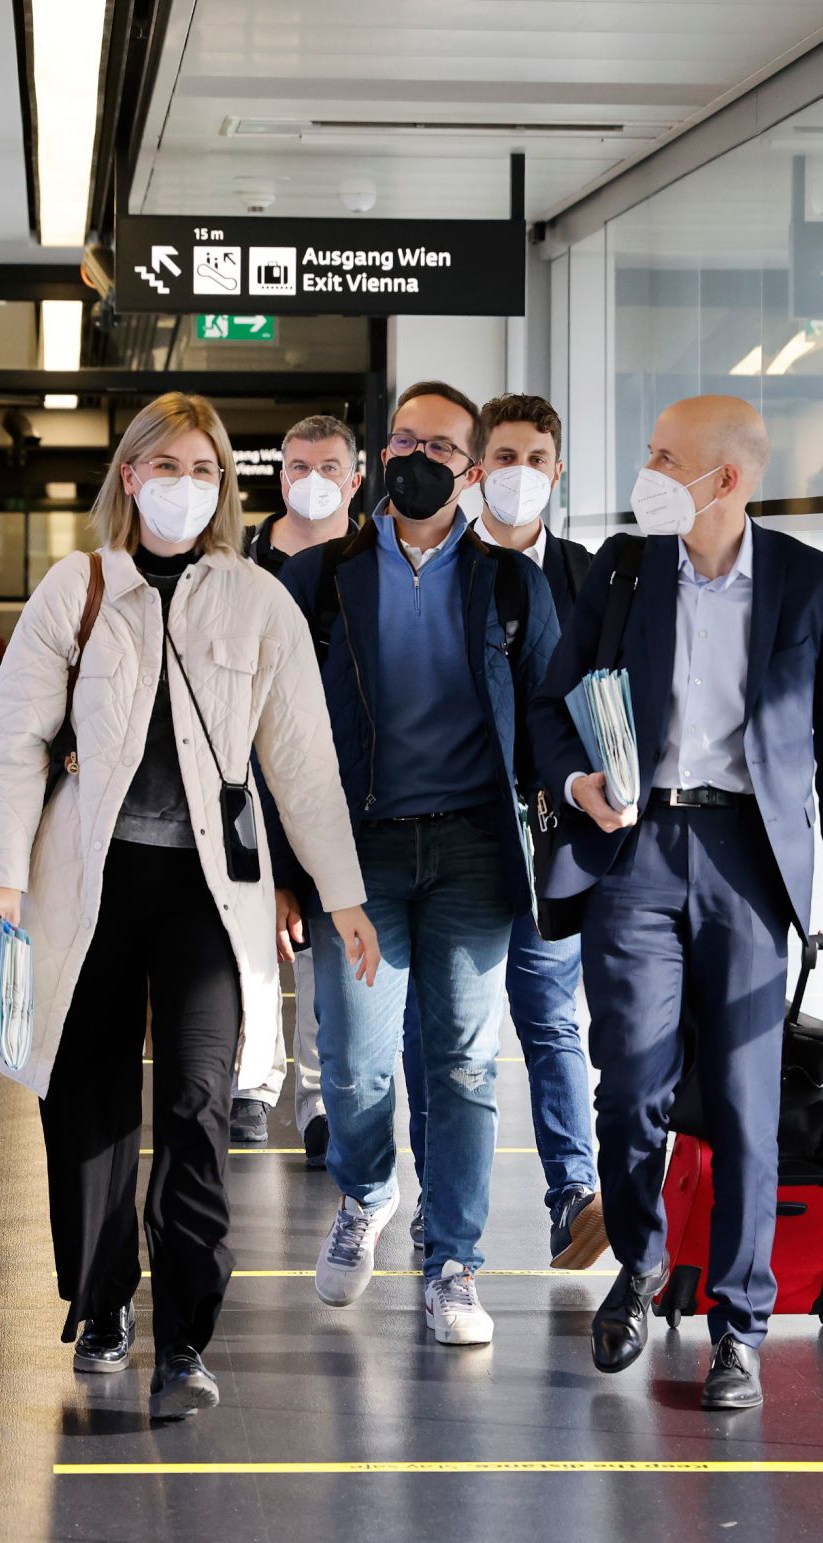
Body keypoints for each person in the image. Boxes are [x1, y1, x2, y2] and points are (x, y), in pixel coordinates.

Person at [0, 391, 380, 1422]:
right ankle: (102, 1302)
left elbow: (301, 765)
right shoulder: (79, 588)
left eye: (203, 470)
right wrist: (3, 872)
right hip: (88, 885)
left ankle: (187, 1334)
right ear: (129, 476)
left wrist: (343, 896)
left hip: (209, 896)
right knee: (88, 1103)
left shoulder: (256, 602)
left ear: (223, 489)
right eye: (166, 466)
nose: (184, 487)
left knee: (198, 1110)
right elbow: (16, 739)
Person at [530, 394, 823, 1410]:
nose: (644, 470)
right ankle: (643, 1263)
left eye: (663, 456)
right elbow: (551, 708)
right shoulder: (623, 570)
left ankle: (739, 1325)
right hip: (635, 847)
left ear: (723, 479)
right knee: (631, 1084)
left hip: (746, 860)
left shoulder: (810, 587)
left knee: (744, 1106)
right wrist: (576, 786)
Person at [271, 379, 561, 1346]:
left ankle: (454, 1263)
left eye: (440, 448)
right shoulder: (321, 581)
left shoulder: (513, 584)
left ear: (471, 472)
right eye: (401, 440)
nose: (415, 460)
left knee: (465, 1063)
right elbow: (278, 736)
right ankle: (368, 1193)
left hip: (475, 846)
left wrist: (579, 806)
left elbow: (552, 717)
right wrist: (282, 869)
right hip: (357, 853)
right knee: (354, 1065)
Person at [397, 392, 607, 1269]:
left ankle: (574, 1195)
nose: (520, 473)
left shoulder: (591, 576)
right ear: (476, 470)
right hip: (460, 839)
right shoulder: (446, 568)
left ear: (558, 470)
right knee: (440, 1035)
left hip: (552, 834)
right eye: (505, 457)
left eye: (537, 458)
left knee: (551, 1017)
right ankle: (435, 1203)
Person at [231, 414, 364, 1158]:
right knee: (249, 933)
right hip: (246, 773)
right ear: (280, 477)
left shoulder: (374, 561)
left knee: (323, 946)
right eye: (298, 466)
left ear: (354, 478)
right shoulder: (244, 560)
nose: (312, 480)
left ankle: (318, 1100)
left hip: (339, 779)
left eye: (328, 466)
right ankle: (252, 1084)